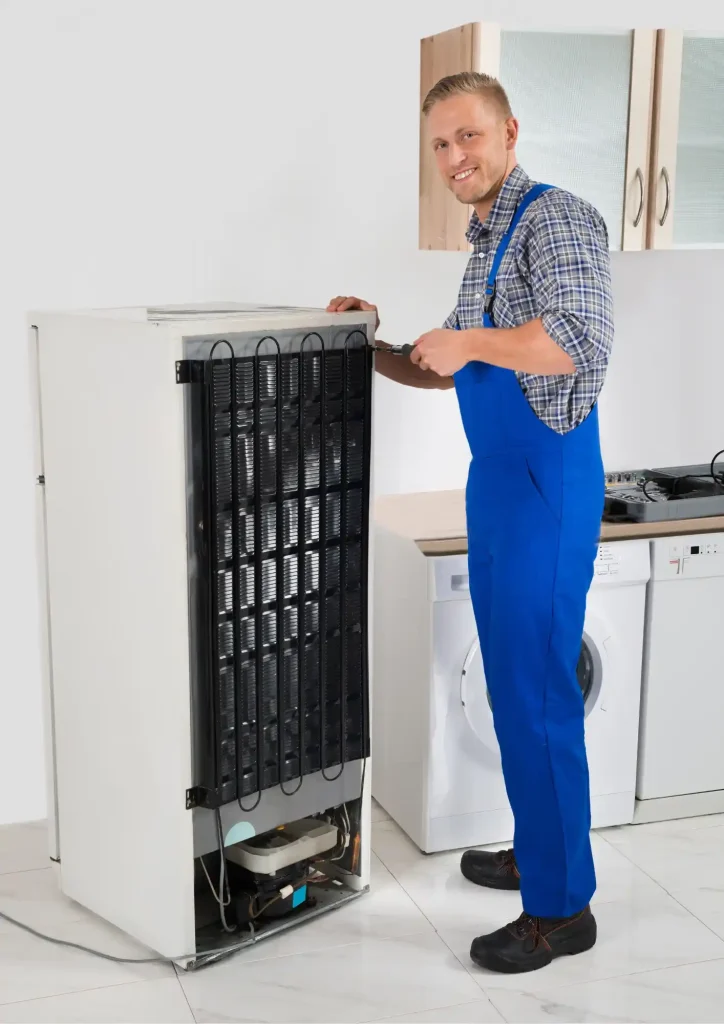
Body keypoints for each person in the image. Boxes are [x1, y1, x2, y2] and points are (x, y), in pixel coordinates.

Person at [327, 70, 613, 975]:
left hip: (546, 481)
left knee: (536, 695)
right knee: (511, 685)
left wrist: (472, 341)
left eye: (469, 138)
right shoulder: (489, 239)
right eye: (442, 145)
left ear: (509, 131)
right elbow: (443, 364)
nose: (456, 158)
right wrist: (365, 343)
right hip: (495, 483)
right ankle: (541, 853)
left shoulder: (557, 216)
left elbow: (579, 338)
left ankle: (563, 911)